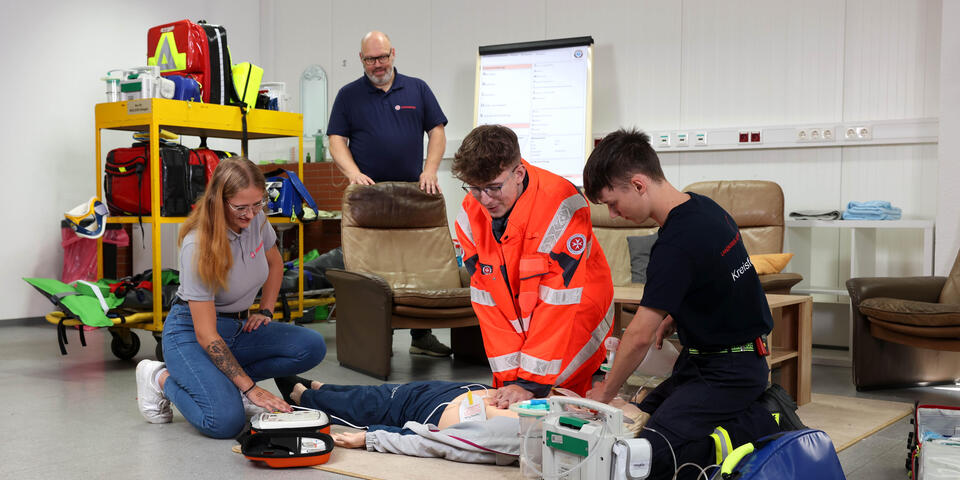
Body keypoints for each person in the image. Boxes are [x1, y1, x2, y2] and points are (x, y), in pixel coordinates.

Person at [582, 129, 779, 479]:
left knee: (656, 456)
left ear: (639, 185)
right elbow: (719, 277)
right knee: (637, 423)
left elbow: (639, 335)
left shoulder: (674, 244)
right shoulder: (704, 207)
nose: (612, 214)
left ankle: (766, 420)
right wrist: (676, 310)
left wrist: (605, 392)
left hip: (731, 372)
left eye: (613, 202)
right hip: (705, 362)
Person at [135, 157, 327, 439]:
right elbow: (207, 335)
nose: (250, 215)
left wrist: (266, 310)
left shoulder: (258, 220)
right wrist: (251, 389)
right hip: (192, 335)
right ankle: (160, 378)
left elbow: (275, 265)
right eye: (240, 207)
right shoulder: (198, 244)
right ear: (219, 201)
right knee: (224, 422)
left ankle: (221, 384)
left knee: (310, 346)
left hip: (238, 328)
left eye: (257, 204)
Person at [452, 124, 615, 406]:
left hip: (577, 309)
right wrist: (510, 380)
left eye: (493, 187)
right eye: (475, 189)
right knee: (508, 402)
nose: (485, 200)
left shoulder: (563, 205)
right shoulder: (470, 214)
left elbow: (558, 302)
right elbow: (490, 304)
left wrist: (529, 383)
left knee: (563, 401)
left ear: (518, 173)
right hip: (521, 316)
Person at [327, 30, 451, 357]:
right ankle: (372, 339)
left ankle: (421, 337)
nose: (378, 64)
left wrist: (430, 170)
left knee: (417, 264)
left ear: (393, 53)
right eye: (371, 59)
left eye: (382, 57)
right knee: (369, 268)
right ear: (361, 60)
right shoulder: (348, 95)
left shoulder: (417, 88)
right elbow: (336, 140)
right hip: (368, 196)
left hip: (413, 191)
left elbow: (437, 133)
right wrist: (353, 173)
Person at [272, 375, 647, 464]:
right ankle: (319, 386)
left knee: (358, 404)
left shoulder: (530, 437)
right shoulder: (566, 402)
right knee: (371, 394)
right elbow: (540, 383)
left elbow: (437, 443)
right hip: (459, 389)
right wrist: (525, 388)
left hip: (423, 410)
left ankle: (303, 392)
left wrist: (369, 438)